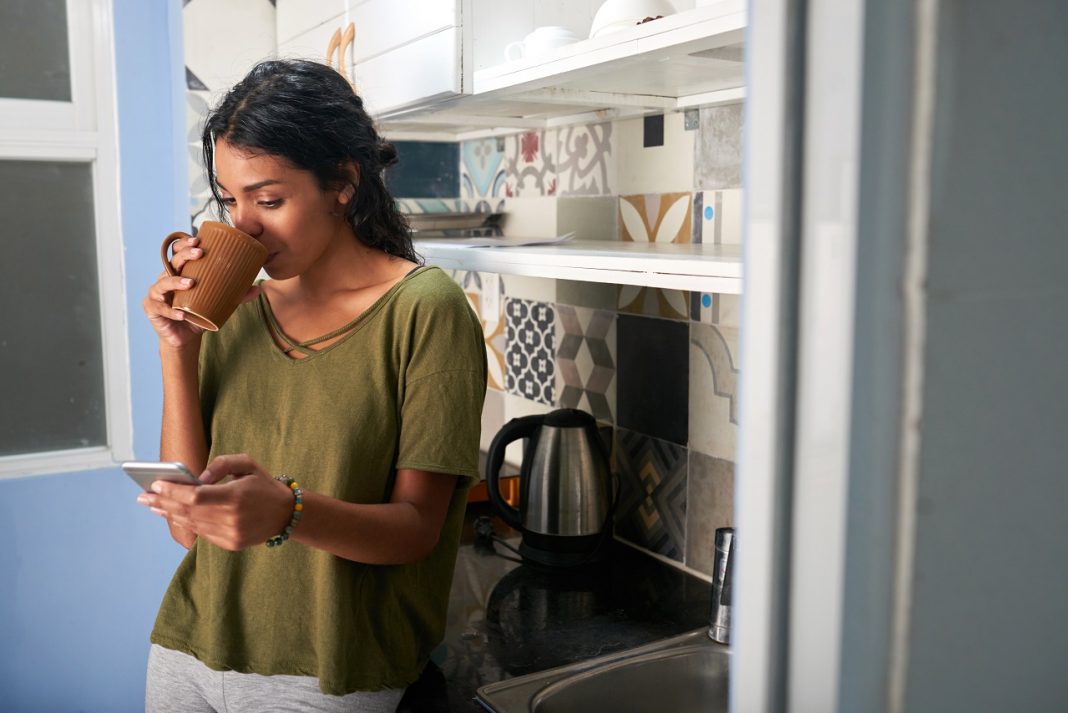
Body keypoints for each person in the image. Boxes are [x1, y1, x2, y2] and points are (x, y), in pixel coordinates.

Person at [137, 59, 487, 712]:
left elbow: (416, 530)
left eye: (268, 199)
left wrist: (289, 511)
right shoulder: (236, 308)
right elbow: (189, 532)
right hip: (188, 645)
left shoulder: (425, 309)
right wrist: (176, 348)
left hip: (329, 667)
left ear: (343, 183)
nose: (243, 224)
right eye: (229, 199)